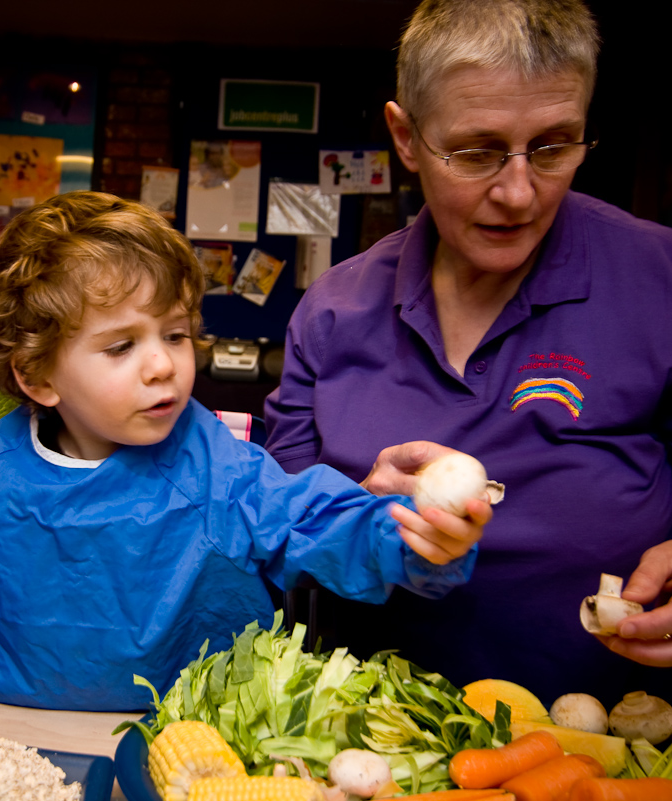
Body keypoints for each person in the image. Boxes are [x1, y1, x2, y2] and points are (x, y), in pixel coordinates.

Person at [0, 191, 491, 727]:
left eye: (175, 334)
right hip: (20, 725)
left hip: (191, 736)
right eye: (122, 345)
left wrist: (408, 536)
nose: (163, 364)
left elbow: (311, 520)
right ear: (39, 377)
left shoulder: (218, 465)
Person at [264, 0, 672, 708]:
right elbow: (269, 538)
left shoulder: (659, 278)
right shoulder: (330, 313)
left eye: (552, 146)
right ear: (406, 136)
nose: (517, 193)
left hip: (605, 747)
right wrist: (355, 513)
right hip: (374, 743)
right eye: (475, 151)